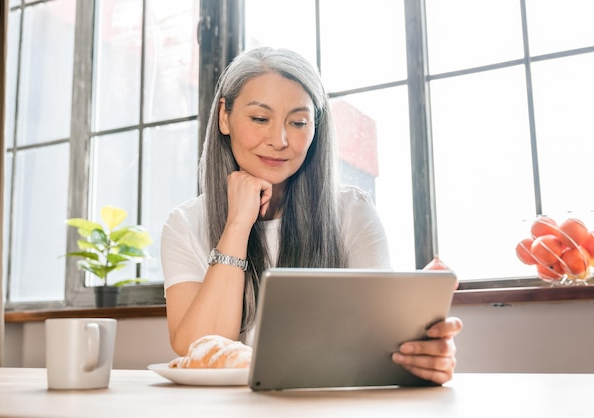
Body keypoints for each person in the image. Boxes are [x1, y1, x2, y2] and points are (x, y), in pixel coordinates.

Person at [160, 47, 462, 385]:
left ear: (316, 127)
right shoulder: (184, 225)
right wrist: (237, 225)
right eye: (260, 119)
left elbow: (378, 346)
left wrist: (419, 356)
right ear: (224, 117)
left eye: (298, 122)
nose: (279, 140)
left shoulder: (352, 213)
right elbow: (198, 350)